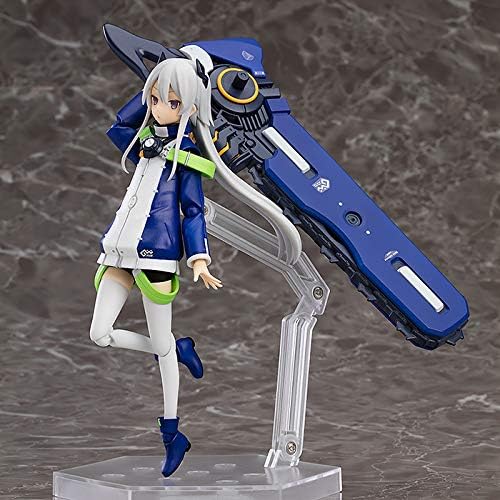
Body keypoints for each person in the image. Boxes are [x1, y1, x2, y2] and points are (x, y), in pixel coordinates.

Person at [89, 57, 222, 477]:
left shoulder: (188, 157)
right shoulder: (142, 139)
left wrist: (199, 257)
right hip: (119, 248)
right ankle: (176, 348)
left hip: (158, 253)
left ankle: (172, 433)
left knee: (160, 344)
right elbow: (119, 123)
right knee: (101, 334)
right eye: (155, 98)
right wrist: (163, 73)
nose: (160, 107)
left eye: (173, 102)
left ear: (191, 108)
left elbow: (194, 211)